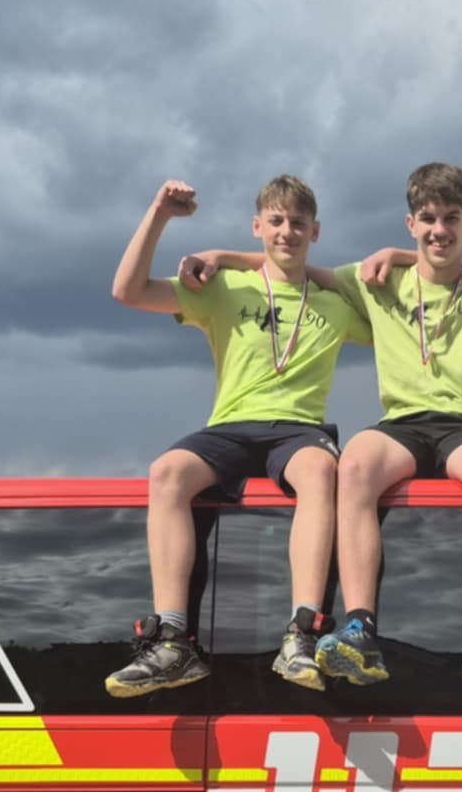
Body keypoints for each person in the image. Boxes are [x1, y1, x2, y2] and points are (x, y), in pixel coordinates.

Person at [183, 93, 462, 687]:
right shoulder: (374, 281)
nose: (440, 230)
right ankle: (359, 629)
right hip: (402, 424)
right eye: (428, 218)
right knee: (353, 464)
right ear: (411, 224)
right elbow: (290, 265)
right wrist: (224, 255)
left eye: (452, 218)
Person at [104, 175, 371, 696]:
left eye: (298, 223)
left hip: (297, 430)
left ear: (316, 231)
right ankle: (173, 641)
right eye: (276, 221)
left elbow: (394, 296)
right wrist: (159, 214)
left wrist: (229, 253)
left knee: (322, 470)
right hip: (231, 426)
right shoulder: (221, 288)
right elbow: (127, 291)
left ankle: (301, 633)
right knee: (167, 471)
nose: (287, 231)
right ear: (257, 226)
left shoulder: (335, 302)